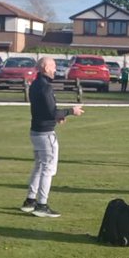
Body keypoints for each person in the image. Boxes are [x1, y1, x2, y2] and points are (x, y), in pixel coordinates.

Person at [21, 56, 84, 218]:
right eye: (53, 66)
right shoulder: (46, 86)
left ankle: (30, 201)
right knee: (47, 169)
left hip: (35, 131)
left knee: (39, 166)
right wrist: (71, 111)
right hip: (45, 134)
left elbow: (46, 110)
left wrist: (57, 116)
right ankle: (42, 204)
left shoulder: (35, 84)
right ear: (46, 68)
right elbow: (52, 112)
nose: (55, 69)